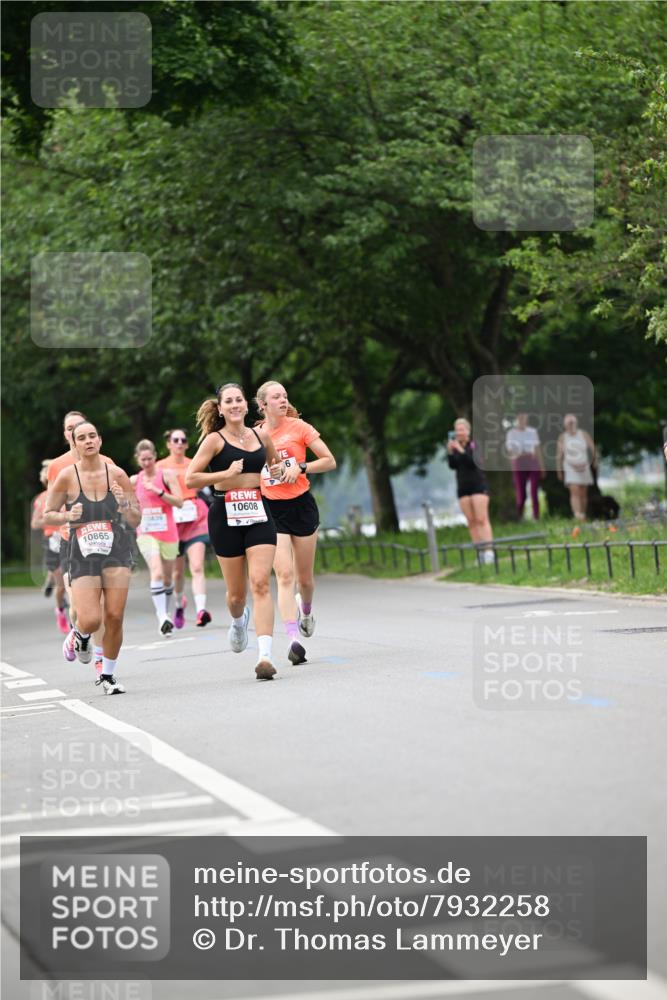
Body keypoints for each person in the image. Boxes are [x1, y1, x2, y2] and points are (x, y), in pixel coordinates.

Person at [185, 383, 285, 680]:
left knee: (261, 583)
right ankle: (239, 619)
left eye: (239, 399)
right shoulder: (214, 441)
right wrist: (225, 474)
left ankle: (265, 655)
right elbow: (191, 478)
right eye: (228, 401)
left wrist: (279, 472)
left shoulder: (261, 434)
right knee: (236, 596)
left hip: (258, 510)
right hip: (224, 514)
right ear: (220, 408)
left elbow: (275, 466)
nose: (234, 405)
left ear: (246, 404)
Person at [44, 421, 140, 694]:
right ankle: (79, 634)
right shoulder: (67, 476)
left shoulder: (117, 474)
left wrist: (123, 503)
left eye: (92, 436)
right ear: (74, 444)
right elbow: (48, 514)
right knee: (90, 619)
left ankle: (108, 676)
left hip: (116, 548)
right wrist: (67, 516)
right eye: (81, 438)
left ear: (100, 440)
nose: (88, 441)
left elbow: (136, 517)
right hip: (82, 551)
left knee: (114, 615)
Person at [254, 380, 336, 665]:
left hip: (301, 506)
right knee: (284, 576)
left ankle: (307, 610)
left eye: (285, 396)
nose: (283, 400)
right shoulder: (256, 435)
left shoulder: (300, 428)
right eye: (276, 397)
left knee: (305, 579)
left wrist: (301, 467)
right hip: (271, 509)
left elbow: (329, 460)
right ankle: (293, 640)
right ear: (263, 404)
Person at [48, 410, 115, 669]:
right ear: (68, 436)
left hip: (102, 537)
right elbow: (53, 507)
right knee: (78, 601)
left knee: (99, 601)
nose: (76, 432)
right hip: (71, 540)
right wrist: (69, 515)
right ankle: (78, 632)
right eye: (70, 428)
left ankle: (99, 657)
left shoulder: (107, 462)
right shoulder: (58, 466)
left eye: (81, 426)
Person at [156, 428, 212, 628]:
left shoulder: (193, 464)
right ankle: (179, 604)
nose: (179, 443)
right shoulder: (159, 467)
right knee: (176, 574)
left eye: (183, 440)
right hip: (172, 522)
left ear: (187, 444)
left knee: (197, 567)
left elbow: (204, 486)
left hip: (195, 519)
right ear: (169, 444)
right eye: (175, 440)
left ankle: (201, 610)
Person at [131, 439, 183, 635]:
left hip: (168, 532)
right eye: (142, 460)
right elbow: (123, 504)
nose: (146, 463)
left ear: (155, 457)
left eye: (150, 459)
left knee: (168, 579)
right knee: (157, 572)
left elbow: (178, 502)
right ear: (138, 460)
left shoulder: (167, 475)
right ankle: (162, 617)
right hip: (145, 532)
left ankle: (166, 611)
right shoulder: (134, 481)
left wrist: (158, 491)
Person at [446, 418, 495, 563]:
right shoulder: (454, 447)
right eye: (457, 429)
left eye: (462, 429)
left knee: (481, 519)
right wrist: (450, 452)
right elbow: (453, 466)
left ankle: (489, 551)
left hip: (478, 486)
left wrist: (461, 450)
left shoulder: (474, 445)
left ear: (468, 431)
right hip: (463, 487)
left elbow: (474, 462)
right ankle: (479, 552)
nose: (459, 432)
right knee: (472, 521)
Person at [31, 460, 69, 633]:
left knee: (72, 579)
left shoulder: (66, 494)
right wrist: (50, 519)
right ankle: (60, 611)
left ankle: (77, 610)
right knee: (61, 584)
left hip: (68, 538)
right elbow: (35, 524)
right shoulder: (41, 500)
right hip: (52, 541)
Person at [505, 412, 545, 519]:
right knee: (521, 492)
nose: (523, 419)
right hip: (519, 462)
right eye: (521, 417)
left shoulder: (533, 432)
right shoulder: (511, 433)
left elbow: (537, 449)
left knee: (534, 490)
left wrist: (541, 466)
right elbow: (510, 451)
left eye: (525, 417)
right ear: (517, 418)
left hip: (532, 461)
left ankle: (536, 516)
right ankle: (520, 515)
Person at [557, 414, 596, 521]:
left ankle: (583, 514)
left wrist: (595, 460)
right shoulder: (562, 437)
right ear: (565, 425)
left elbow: (592, 448)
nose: (570, 425)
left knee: (583, 492)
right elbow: (559, 456)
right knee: (574, 490)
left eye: (572, 422)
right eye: (568, 423)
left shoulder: (583, 434)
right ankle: (577, 515)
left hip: (583, 466)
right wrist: (559, 470)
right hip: (570, 467)